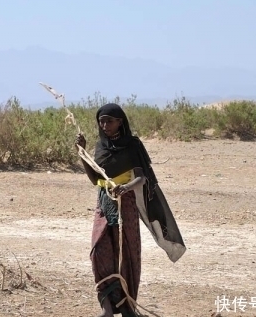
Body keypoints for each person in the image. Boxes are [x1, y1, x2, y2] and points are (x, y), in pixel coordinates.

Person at [75, 103, 186, 317]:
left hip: (125, 204)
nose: (104, 125)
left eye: (109, 120)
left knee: (126, 254)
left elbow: (141, 177)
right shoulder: (100, 146)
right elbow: (95, 179)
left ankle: (128, 308)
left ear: (120, 122)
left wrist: (125, 187)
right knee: (99, 251)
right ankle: (107, 308)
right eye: (101, 120)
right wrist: (82, 152)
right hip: (104, 202)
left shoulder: (132, 145)